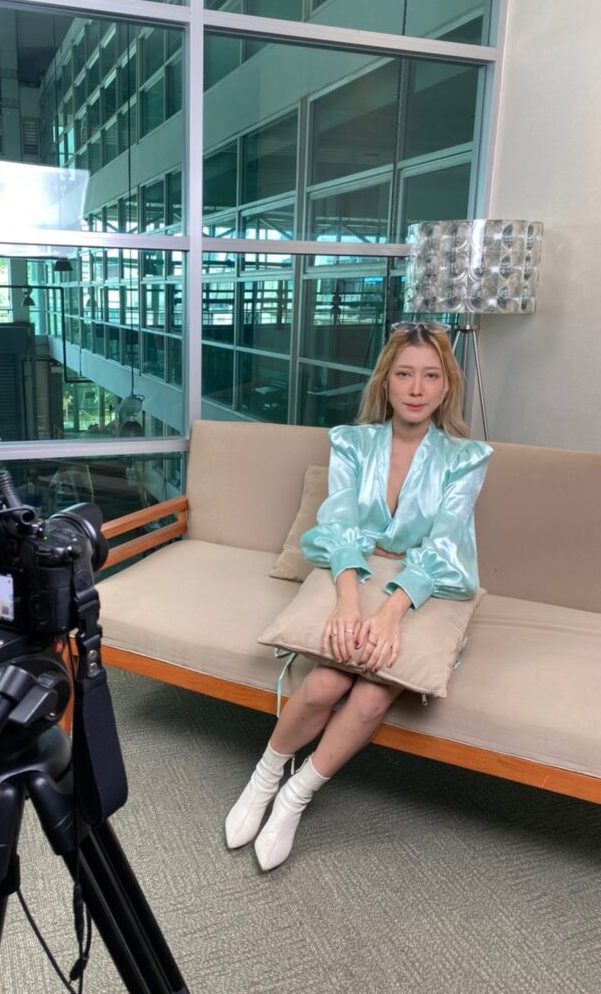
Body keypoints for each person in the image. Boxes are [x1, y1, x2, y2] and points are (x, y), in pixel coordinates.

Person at [225, 321, 493, 871]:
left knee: (371, 695)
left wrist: (390, 614)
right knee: (327, 680)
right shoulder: (352, 442)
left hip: (426, 580)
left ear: (446, 385)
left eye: (430, 376)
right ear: (386, 381)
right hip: (354, 567)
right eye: (404, 374)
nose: (416, 388)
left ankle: (295, 797)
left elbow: (444, 545)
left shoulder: (466, 457)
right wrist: (349, 603)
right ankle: (265, 777)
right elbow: (340, 525)